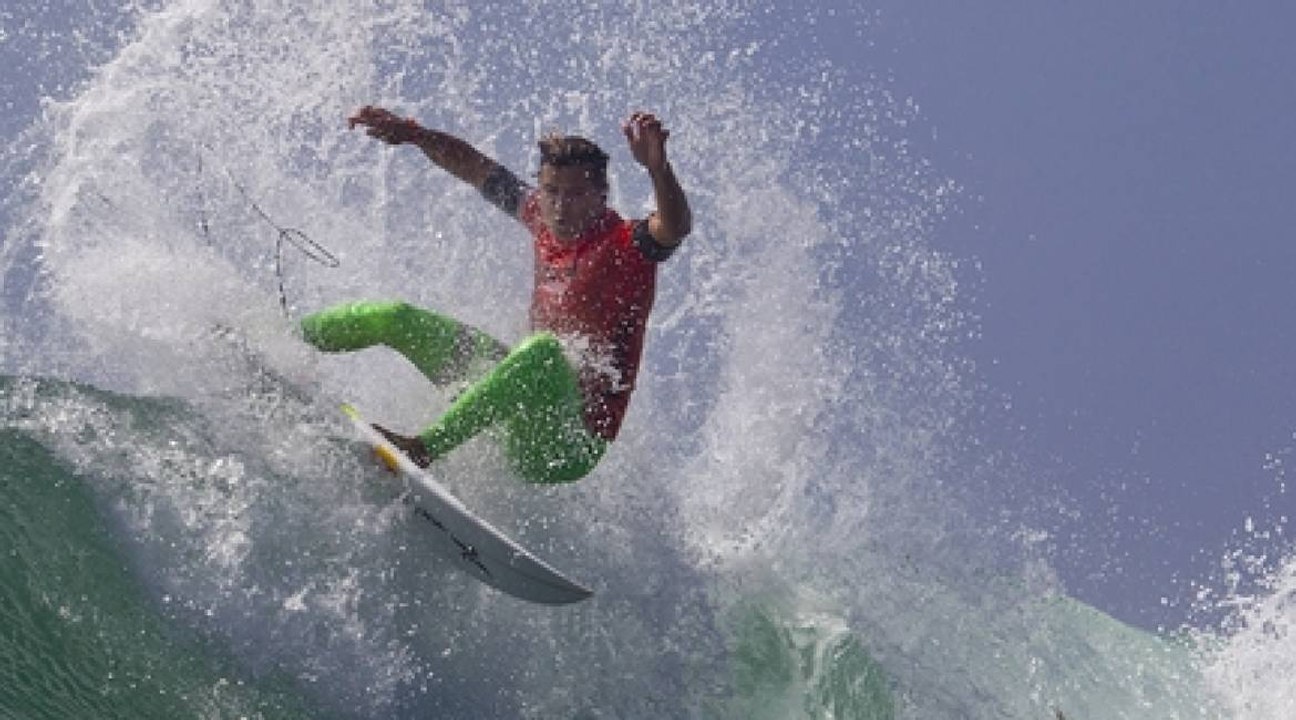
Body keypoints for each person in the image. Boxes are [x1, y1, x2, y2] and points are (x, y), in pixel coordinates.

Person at [301, 106, 692, 484]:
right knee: (393, 316)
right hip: (512, 404)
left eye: (574, 195)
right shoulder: (539, 216)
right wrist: (414, 134)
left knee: (544, 352)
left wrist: (658, 170)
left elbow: (673, 228)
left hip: (569, 443)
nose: (559, 206)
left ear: (601, 195)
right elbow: (474, 167)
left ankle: (421, 449)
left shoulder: (626, 245)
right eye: (551, 191)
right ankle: (289, 339)